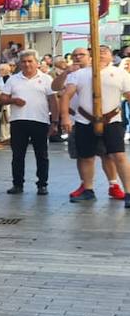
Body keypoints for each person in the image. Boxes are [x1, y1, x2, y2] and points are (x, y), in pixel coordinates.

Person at [61, 44, 130, 207]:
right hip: (85, 119)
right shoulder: (79, 74)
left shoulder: (120, 73)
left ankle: (128, 192)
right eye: (97, 51)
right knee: (86, 156)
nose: (101, 54)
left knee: (118, 155)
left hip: (111, 120)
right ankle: (88, 190)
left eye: (104, 51)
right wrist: (64, 117)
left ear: (111, 56)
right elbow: (66, 95)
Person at [1, 50, 57, 196]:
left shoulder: (46, 79)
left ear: (37, 62)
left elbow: (53, 101)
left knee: (42, 155)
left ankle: (42, 184)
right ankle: (17, 184)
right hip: (18, 121)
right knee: (18, 155)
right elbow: (2, 98)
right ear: (19, 63)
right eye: (24, 61)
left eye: (30, 61)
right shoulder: (13, 79)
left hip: (40, 121)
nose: (27, 64)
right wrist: (13, 100)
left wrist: (55, 121)